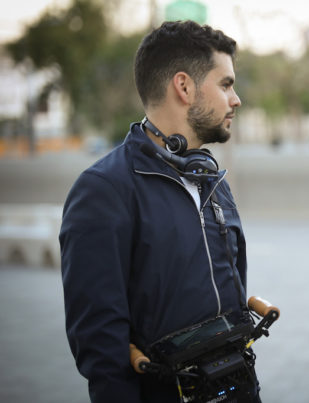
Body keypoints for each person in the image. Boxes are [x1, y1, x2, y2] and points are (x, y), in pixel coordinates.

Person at [60, 21, 260, 402]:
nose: (236, 99)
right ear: (184, 87)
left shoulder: (212, 179)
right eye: (226, 84)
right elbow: (100, 343)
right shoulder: (104, 190)